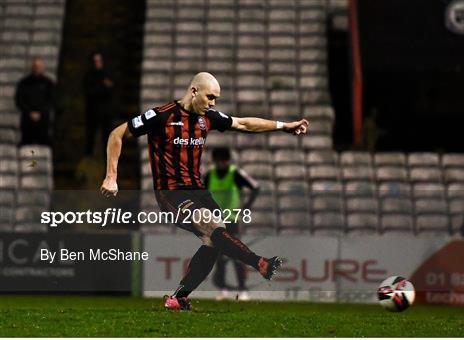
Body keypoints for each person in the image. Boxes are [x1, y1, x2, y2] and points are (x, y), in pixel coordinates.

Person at [100, 72, 309, 311]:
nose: (213, 103)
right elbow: (117, 134)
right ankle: (260, 263)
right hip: (171, 194)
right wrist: (111, 176)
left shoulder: (208, 118)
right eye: (210, 97)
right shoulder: (161, 115)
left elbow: (243, 123)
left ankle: (178, 298)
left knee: (215, 240)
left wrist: (283, 126)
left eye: (216, 99)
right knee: (212, 227)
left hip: (199, 191)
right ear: (194, 91)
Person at [204, 147, 260, 301]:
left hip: (231, 219)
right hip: (215, 220)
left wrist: (246, 207)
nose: (221, 163)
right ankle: (224, 289)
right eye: (219, 160)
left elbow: (255, 187)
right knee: (219, 256)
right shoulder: (209, 175)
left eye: (224, 160)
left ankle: (243, 290)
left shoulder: (235, 174)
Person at [15, 58, 55, 145]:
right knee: (26, 148)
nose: (37, 68)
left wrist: (40, 112)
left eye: (39, 66)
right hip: (27, 121)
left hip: (43, 121)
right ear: (32, 67)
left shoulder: (49, 83)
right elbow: (19, 100)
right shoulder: (23, 83)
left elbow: (51, 100)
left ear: (43, 67)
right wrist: (30, 112)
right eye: (35, 66)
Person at [84, 51, 114, 156]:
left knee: (107, 139)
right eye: (95, 61)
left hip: (106, 113)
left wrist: (100, 89)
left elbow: (111, 90)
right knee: (90, 139)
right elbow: (89, 92)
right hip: (92, 112)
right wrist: (103, 87)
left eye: (99, 61)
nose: (97, 63)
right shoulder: (89, 76)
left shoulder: (108, 74)